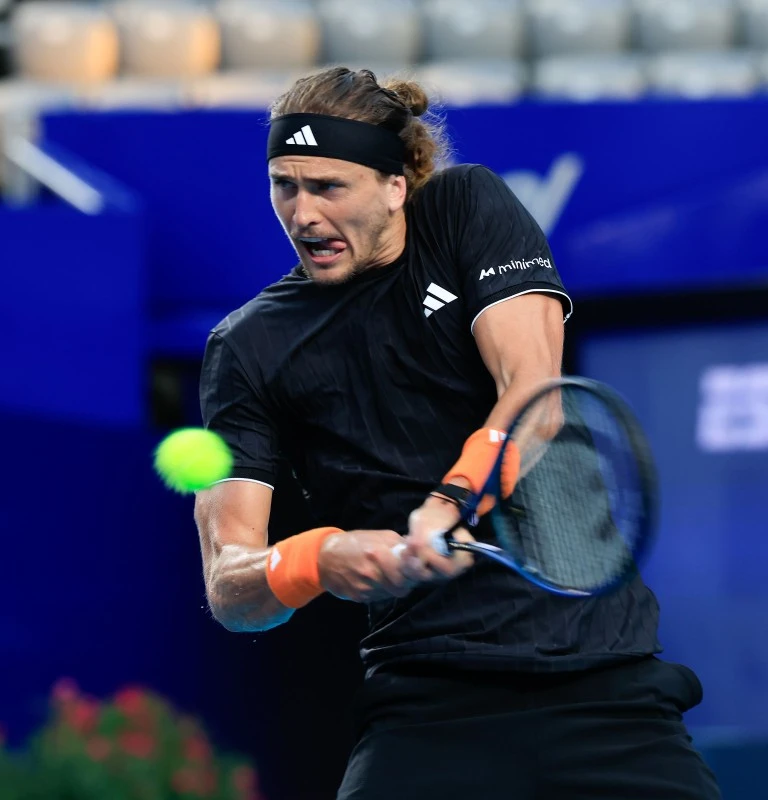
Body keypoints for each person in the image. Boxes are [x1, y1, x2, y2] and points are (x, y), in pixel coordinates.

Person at [195, 66, 721, 799]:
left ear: (395, 185)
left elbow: (536, 398)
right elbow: (231, 585)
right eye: (286, 184)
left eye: (329, 186)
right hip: (425, 704)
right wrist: (321, 557)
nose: (304, 213)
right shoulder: (245, 348)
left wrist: (448, 503)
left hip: (606, 688)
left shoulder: (468, 207)